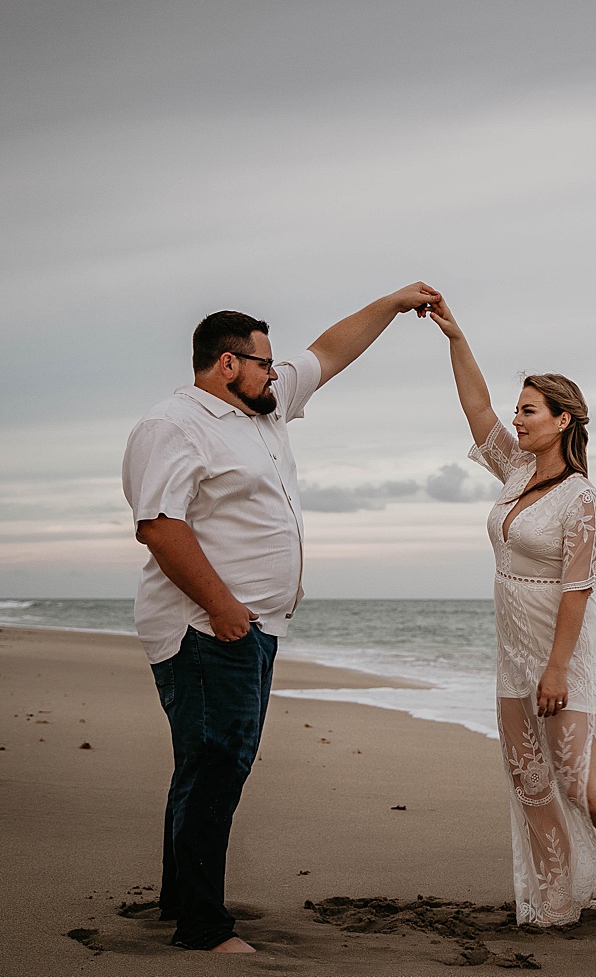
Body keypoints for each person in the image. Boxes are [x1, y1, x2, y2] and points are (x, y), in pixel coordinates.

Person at [122, 283, 439, 953]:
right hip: (207, 629)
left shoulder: (264, 408)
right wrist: (223, 607)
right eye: (265, 363)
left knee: (203, 764)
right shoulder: (173, 424)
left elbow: (330, 350)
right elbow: (159, 525)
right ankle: (204, 927)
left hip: (256, 626)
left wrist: (393, 302)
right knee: (218, 765)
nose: (278, 371)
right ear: (226, 364)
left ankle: (180, 898)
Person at [426, 297, 596, 937]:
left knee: (580, 785)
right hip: (513, 651)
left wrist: (557, 669)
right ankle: (552, 906)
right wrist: (456, 338)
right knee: (530, 784)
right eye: (518, 409)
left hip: (562, 653)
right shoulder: (515, 472)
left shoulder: (584, 500)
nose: (516, 420)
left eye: (530, 411)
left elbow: (577, 590)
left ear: (562, 420)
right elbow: (475, 408)